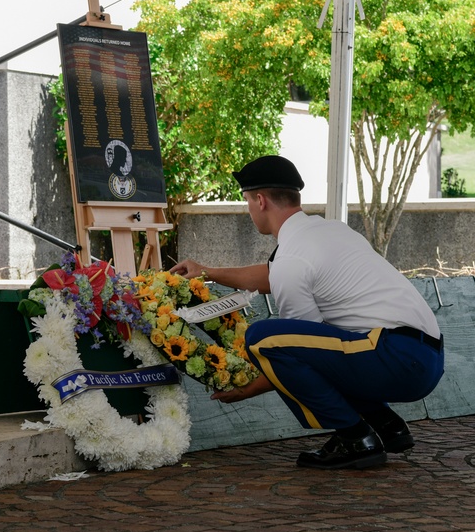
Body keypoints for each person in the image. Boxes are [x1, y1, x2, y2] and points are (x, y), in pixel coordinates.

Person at [170, 155, 444, 470]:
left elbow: (297, 351)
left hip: (397, 358)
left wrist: (247, 388)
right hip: (425, 358)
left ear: (260, 201)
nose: (248, 209)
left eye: (247, 201)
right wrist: (208, 272)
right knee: (325, 345)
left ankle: (355, 437)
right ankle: (386, 425)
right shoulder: (329, 231)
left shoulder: (292, 258)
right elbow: (272, 275)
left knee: (263, 339)